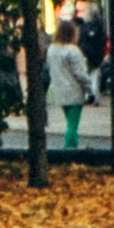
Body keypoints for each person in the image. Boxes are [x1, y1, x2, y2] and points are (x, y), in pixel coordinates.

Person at [44, 15, 93, 158]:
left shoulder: (52, 49)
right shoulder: (73, 51)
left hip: (58, 89)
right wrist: (90, 89)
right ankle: (70, 149)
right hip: (73, 90)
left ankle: (73, 146)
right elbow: (80, 73)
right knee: (73, 124)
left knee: (70, 122)